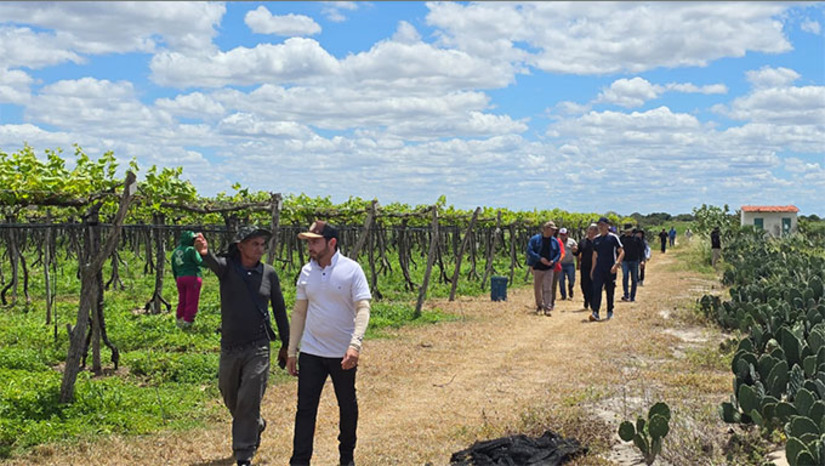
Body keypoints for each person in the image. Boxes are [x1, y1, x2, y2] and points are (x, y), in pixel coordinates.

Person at [194, 226, 290, 466]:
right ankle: (255, 424)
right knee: (228, 392)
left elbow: (279, 309)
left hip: (258, 346)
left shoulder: (269, 274)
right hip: (230, 346)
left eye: (262, 245)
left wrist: (287, 344)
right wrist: (204, 253)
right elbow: (212, 263)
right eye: (254, 244)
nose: (260, 249)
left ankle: (244, 452)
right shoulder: (228, 268)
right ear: (241, 246)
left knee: (249, 397)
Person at [288, 220, 372, 466]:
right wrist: (292, 350)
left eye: (314, 241)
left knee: (347, 405)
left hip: (342, 353)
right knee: (305, 409)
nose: (310, 247)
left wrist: (355, 345)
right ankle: (299, 461)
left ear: (331, 242)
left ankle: (346, 457)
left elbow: (363, 308)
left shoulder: (352, 270)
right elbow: (299, 312)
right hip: (311, 352)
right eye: (308, 242)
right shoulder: (306, 271)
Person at [590, 217, 624, 322]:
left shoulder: (613, 238)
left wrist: (616, 264)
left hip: (610, 268)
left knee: (610, 290)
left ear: (607, 226)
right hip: (599, 268)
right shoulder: (596, 239)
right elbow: (594, 255)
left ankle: (610, 310)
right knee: (597, 290)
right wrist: (592, 269)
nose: (601, 226)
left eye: (603, 224)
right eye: (599, 224)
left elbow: (621, 251)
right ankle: (595, 312)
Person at [171, 230, 205, 329]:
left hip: (180, 278)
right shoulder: (191, 250)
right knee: (192, 300)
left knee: (182, 299)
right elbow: (200, 262)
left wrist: (177, 278)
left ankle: (179, 319)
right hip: (192, 277)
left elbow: (173, 267)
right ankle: (188, 322)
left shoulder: (175, 251)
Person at [526, 221, 561, 316]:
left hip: (549, 268)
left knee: (548, 287)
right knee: (537, 288)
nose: (553, 232)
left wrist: (553, 261)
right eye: (552, 229)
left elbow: (558, 253)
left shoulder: (554, 241)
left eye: (554, 230)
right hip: (537, 267)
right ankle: (539, 305)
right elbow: (529, 250)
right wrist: (540, 258)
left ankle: (547, 307)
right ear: (545, 229)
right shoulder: (535, 239)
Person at [576, 224, 598, 310]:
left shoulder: (598, 241)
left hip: (596, 266)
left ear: (596, 232)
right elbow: (577, 252)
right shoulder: (582, 242)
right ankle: (586, 298)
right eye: (589, 230)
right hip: (584, 266)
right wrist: (574, 251)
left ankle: (592, 302)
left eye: (592, 230)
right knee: (584, 284)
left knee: (593, 284)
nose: (589, 232)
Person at [620, 227, 643, 302]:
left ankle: (632, 296)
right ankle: (626, 295)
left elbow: (641, 250)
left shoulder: (637, 239)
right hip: (624, 261)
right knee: (625, 277)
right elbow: (618, 250)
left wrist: (642, 260)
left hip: (634, 260)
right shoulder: (622, 238)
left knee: (634, 279)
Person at [558, 228, 578, 301]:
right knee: (561, 280)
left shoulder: (572, 241)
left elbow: (576, 251)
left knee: (571, 279)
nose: (563, 236)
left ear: (567, 234)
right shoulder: (558, 242)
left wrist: (575, 249)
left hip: (570, 264)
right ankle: (563, 295)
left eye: (564, 235)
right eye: (561, 235)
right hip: (560, 264)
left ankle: (570, 288)